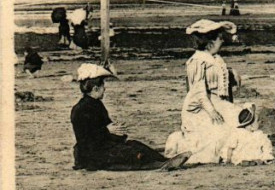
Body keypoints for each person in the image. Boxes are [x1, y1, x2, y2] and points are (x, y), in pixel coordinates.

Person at [71, 64, 189, 171]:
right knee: (133, 153)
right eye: (103, 86)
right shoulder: (81, 109)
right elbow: (85, 139)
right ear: (95, 89)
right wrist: (108, 131)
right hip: (92, 154)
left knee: (134, 144)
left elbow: (105, 129)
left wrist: (118, 131)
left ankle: (163, 161)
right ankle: (160, 164)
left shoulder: (95, 104)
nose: (105, 89)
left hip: (102, 148)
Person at [164, 20, 250, 165]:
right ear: (210, 41)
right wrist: (212, 112)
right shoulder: (197, 60)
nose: (222, 41)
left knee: (245, 119)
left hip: (218, 103)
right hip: (201, 108)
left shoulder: (216, 59)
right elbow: (198, 92)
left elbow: (223, 88)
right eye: (219, 38)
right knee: (219, 135)